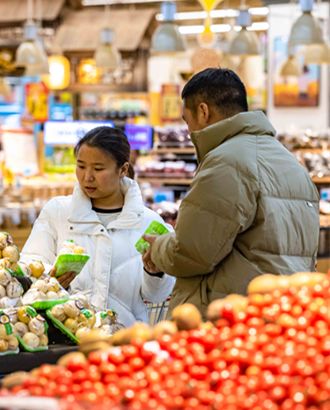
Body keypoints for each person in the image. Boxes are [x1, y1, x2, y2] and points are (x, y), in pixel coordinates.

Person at [142, 68, 320, 317]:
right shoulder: (291, 163)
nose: (189, 131)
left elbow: (192, 253)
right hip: (283, 311)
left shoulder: (225, 162)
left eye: (187, 120)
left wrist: (158, 248)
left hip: (229, 317)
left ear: (203, 112)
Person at [21, 127, 175, 327]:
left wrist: (155, 273)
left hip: (125, 339)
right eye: (81, 166)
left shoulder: (148, 223)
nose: (87, 177)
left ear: (122, 169)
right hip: (65, 334)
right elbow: (29, 266)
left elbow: (158, 297)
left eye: (98, 169)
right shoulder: (58, 212)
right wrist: (49, 283)